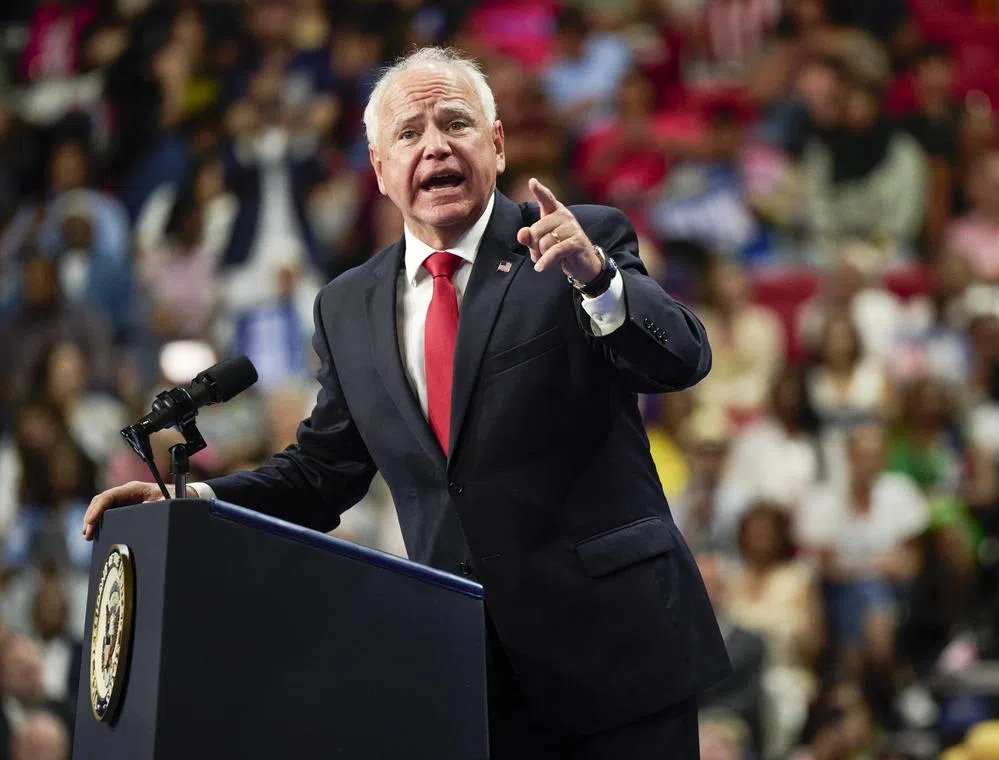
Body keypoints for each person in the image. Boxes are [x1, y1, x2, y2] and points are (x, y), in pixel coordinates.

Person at [82, 46, 730, 759]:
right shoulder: (347, 306)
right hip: (468, 682)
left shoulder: (578, 242)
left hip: (618, 661)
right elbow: (320, 474)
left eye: (456, 122)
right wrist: (192, 501)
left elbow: (680, 359)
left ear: (497, 142)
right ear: (380, 167)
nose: (436, 146)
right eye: (409, 133)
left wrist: (598, 280)